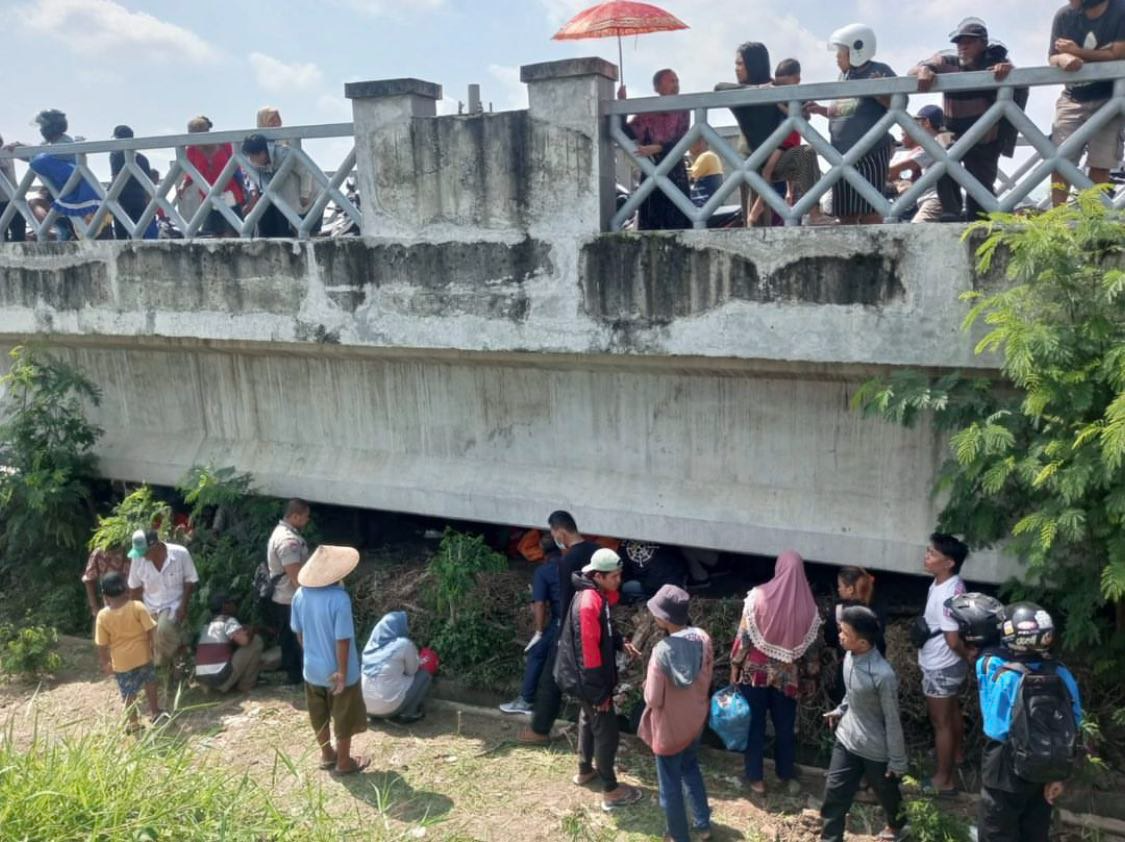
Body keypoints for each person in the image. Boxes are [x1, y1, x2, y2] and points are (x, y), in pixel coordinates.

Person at [976, 603, 1082, 842]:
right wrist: (1059, 775)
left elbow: (996, 728)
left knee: (997, 833)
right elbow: (1074, 723)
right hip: (1046, 768)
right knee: (1035, 833)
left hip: (1004, 771)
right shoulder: (1063, 674)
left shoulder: (1003, 674)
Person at [553, 548, 644, 810]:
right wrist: (599, 694)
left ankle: (585, 770)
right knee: (607, 732)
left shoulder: (595, 595)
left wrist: (620, 642)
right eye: (614, 576)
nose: (619, 580)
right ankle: (611, 790)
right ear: (598, 576)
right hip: (587, 681)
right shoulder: (588, 602)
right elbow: (588, 654)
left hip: (581, 679)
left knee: (587, 720)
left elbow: (604, 627)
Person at [730, 550, 822, 795]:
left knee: (755, 726)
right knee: (784, 727)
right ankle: (785, 773)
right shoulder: (809, 609)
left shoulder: (757, 598)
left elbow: (743, 638)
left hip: (754, 675)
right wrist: (812, 676)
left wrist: (735, 666)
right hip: (788, 678)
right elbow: (812, 651)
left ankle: (756, 779)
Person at [910, 18, 1021, 221]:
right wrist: (923, 71)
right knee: (942, 163)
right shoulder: (948, 61)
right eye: (959, 42)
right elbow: (917, 69)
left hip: (985, 132)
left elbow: (1018, 83)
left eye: (969, 41)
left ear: (983, 43)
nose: (962, 46)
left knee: (981, 183)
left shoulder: (995, 61)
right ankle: (951, 212)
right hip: (953, 129)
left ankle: (980, 222)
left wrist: (1006, 72)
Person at [821, 606, 907, 842]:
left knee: (888, 794)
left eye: (845, 633)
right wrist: (840, 710)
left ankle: (897, 826)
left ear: (862, 643)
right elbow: (852, 693)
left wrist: (897, 761)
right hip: (847, 737)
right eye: (840, 630)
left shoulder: (883, 675)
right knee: (834, 792)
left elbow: (892, 719)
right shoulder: (850, 656)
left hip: (874, 748)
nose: (840, 636)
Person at [519, 510, 604, 745]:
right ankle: (597, 732)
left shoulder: (568, 561)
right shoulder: (595, 551)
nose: (553, 537)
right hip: (597, 621)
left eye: (552, 532)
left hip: (572, 625)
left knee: (551, 678)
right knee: (593, 679)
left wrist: (562, 635)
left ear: (560, 531)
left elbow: (567, 600)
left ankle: (539, 730)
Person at [638, 585, 714, 842]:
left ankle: (678, 835)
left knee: (669, 784)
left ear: (666, 619)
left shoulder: (661, 652)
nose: (653, 616)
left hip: (669, 728)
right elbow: (707, 676)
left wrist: (646, 686)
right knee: (691, 768)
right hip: (695, 721)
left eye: (656, 613)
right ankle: (703, 824)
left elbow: (653, 698)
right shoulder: (702, 638)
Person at [290, 544, 369, 776]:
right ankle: (344, 762)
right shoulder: (339, 599)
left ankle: (327, 755)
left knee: (319, 713)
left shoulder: (299, 595)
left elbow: (300, 632)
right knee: (344, 715)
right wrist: (342, 673)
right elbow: (342, 639)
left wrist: (312, 656)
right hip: (339, 670)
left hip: (312, 669)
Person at [807, 25, 896, 225]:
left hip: (870, 153)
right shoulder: (844, 76)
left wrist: (880, 92)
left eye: (841, 51)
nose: (837, 57)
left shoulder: (879, 70)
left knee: (870, 210)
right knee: (845, 212)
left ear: (857, 49)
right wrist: (821, 110)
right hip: (842, 155)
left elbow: (898, 105)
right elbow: (845, 110)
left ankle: (875, 253)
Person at [1049, 0, 1125, 206]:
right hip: (1073, 96)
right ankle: (1057, 218)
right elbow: (1053, 57)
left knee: (1102, 162)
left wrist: (1077, 52)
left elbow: (1119, 53)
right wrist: (1063, 58)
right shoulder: (1064, 15)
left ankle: (1092, 219)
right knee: (1061, 159)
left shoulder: (1120, 10)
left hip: (1110, 98)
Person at [917, 532, 970, 796]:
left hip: (941, 664)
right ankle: (956, 755)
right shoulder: (949, 582)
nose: (926, 556)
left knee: (941, 722)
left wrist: (966, 655)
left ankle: (944, 780)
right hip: (948, 664)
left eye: (932, 554)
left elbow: (952, 639)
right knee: (952, 711)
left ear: (948, 562)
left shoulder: (947, 593)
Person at [753, 58, 834, 226]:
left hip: (788, 151)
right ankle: (755, 212)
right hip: (770, 151)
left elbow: (803, 116)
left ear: (797, 80)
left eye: (787, 86)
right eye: (779, 86)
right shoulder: (772, 91)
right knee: (771, 169)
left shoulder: (796, 97)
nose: (783, 90)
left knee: (807, 156)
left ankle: (812, 213)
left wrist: (782, 104)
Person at [500, 534, 561, 715]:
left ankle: (526, 701)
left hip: (561, 621)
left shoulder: (544, 571)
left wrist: (539, 631)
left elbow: (539, 604)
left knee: (537, 652)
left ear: (542, 552)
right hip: (578, 618)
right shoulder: (570, 564)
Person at [623, 68, 691, 231]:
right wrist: (622, 103)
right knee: (651, 225)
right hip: (651, 169)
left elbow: (683, 140)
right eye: (671, 81)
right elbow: (626, 132)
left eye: (677, 81)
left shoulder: (683, 109)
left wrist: (659, 147)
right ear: (657, 88)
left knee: (679, 223)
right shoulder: (648, 112)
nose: (676, 85)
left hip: (675, 170)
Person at [95, 571, 164, 726]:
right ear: (126, 588)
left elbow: (102, 644)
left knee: (128, 693)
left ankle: (133, 722)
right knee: (150, 682)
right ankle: (155, 711)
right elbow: (151, 629)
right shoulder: (137, 607)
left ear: (105, 596)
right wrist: (154, 648)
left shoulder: (102, 616)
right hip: (143, 656)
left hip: (121, 663)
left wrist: (106, 662)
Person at [126, 529, 199, 668]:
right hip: (150, 605)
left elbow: (190, 580)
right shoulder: (138, 559)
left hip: (173, 604)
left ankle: (173, 661)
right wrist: (134, 614)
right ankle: (180, 654)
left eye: (145, 553)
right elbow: (134, 589)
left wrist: (183, 605)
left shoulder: (180, 553)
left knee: (163, 630)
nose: (142, 556)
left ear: (155, 546)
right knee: (156, 642)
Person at [823, 565, 887, 705]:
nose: (838, 589)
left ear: (850, 589)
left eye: (840, 586)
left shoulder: (839, 610)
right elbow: (881, 640)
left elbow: (829, 638)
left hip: (848, 672)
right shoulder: (876, 609)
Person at [267, 498, 311, 685]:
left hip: (285, 597)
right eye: (305, 517)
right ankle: (296, 676)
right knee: (294, 639)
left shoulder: (283, 533)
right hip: (290, 597)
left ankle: (295, 675)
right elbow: (296, 575)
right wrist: (310, 597)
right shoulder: (288, 540)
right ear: (295, 516)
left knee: (290, 637)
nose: (307, 520)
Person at [179, 116, 245, 237]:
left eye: (197, 134)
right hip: (208, 197)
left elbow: (237, 166)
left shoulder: (225, 145)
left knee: (232, 234)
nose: (194, 139)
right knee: (210, 236)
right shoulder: (191, 150)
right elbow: (191, 172)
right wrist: (184, 185)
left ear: (206, 132)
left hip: (230, 194)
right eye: (191, 135)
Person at [361, 611, 431, 723]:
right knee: (424, 675)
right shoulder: (403, 644)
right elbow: (412, 671)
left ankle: (375, 715)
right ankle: (408, 714)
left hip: (365, 707)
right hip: (389, 708)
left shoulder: (370, 645)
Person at [887, 106, 948, 223]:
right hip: (930, 199)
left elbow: (900, 168)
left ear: (926, 123)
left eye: (917, 123)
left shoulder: (931, 145)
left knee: (913, 236)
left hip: (933, 200)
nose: (913, 128)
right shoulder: (938, 142)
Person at [241, 133, 309, 238]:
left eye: (253, 157)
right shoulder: (252, 161)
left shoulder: (284, 154)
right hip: (273, 198)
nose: (251, 160)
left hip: (299, 196)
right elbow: (251, 177)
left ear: (262, 153)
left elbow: (306, 171)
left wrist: (305, 194)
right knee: (266, 230)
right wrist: (254, 192)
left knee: (292, 231)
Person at [194, 592, 264, 693]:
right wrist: (251, 630)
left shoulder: (207, 626)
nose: (235, 605)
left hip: (204, 679)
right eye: (232, 603)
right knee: (256, 641)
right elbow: (244, 641)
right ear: (225, 606)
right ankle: (246, 685)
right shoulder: (228, 620)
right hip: (219, 679)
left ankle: (211, 688)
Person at [108, 125, 158, 240]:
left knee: (121, 234)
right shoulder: (143, 158)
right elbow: (148, 184)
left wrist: (109, 197)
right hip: (139, 198)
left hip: (122, 198)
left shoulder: (116, 155)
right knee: (139, 233)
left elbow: (116, 178)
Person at [620, 540, 688, 602]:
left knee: (625, 587)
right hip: (678, 574)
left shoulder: (623, 551)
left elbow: (625, 575)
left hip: (658, 586)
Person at [82, 542, 131, 621]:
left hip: (130, 601)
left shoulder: (128, 550)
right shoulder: (98, 553)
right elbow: (89, 580)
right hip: (110, 603)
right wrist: (94, 607)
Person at [0, 133, 27, 242]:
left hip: (13, 200)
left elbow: (30, 151)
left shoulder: (5, 152)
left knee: (18, 235)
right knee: (13, 236)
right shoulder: (6, 152)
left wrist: (18, 144)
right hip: (12, 199)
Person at [688, 138, 723, 206]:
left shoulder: (706, 156)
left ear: (701, 142)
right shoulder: (712, 155)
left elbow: (688, 177)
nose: (687, 146)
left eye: (689, 142)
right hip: (711, 203)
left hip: (704, 205)